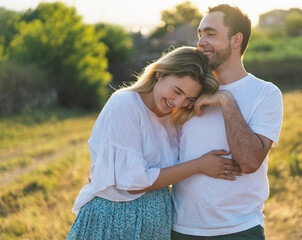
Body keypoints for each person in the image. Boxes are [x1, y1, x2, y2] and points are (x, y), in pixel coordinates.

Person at [66, 46, 242, 240]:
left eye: (189, 99)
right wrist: (199, 165)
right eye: (177, 91)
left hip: (153, 228)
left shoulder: (173, 119)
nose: (178, 103)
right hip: (115, 222)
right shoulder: (125, 103)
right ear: (159, 73)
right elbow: (133, 183)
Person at [172, 5, 283, 240]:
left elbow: (250, 161)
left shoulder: (265, 93)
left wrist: (226, 101)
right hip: (181, 228)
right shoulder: (186, 92)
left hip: (239, 230)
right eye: (200, 33)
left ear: (236, 39)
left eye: (211, 34)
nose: (201, 41)